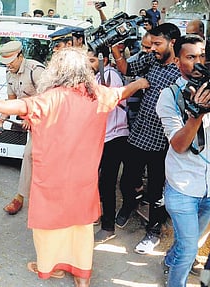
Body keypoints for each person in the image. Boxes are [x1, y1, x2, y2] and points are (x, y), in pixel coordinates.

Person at [0, 47, 148, 287]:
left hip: (52, 179)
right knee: (80, 229)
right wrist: (140, 83)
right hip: (84, 179)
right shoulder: (98, 95)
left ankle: (51, 267)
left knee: (49, 227)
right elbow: (122, 93)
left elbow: (22, 107)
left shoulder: (52, 97)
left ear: (57, 71)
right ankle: (82, 276)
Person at [111, 23, 181, 255]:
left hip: (163, 142)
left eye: (157, 44)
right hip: (139, 134)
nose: (152, 49)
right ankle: (129, 205)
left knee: (157, 192)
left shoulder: (182, 71)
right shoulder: (151, 60)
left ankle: (153, 230)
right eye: (151, 44)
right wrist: (117, 53)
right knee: (128, 179)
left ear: (172, 43)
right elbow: (126, 69)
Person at [156, 34, 210, 287]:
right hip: (183, 186)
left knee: (189, 239)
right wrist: (196, 115)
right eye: (191, 57)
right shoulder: (169, 96)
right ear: (178, 61)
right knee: (189, 250)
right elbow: (178, 145)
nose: (198, 62)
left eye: (202, 56)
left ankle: (170, 259)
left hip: (208, 187)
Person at [0, 41, 45, 215]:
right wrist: (1, 118)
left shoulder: (35, 70)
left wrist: (32, 117)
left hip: (48, 122)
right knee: (33, 157)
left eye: (11, 61)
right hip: (32, 124)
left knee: (30, 155)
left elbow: (48, 98)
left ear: (20, 56)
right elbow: (11, 101)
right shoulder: (9, 73)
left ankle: (22, 198)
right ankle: (25, 197)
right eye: (5, 62)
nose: (8, 65)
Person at [87, 46, 128, 243]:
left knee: (107, 182)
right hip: (103, 136)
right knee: (96, 179)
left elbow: (109, 102)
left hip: (115, 136)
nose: (89, 64)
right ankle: (98, 215)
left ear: (103, 60)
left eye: (93, 60)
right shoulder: (98, 76)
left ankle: (108, 226)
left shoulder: (110, 75)